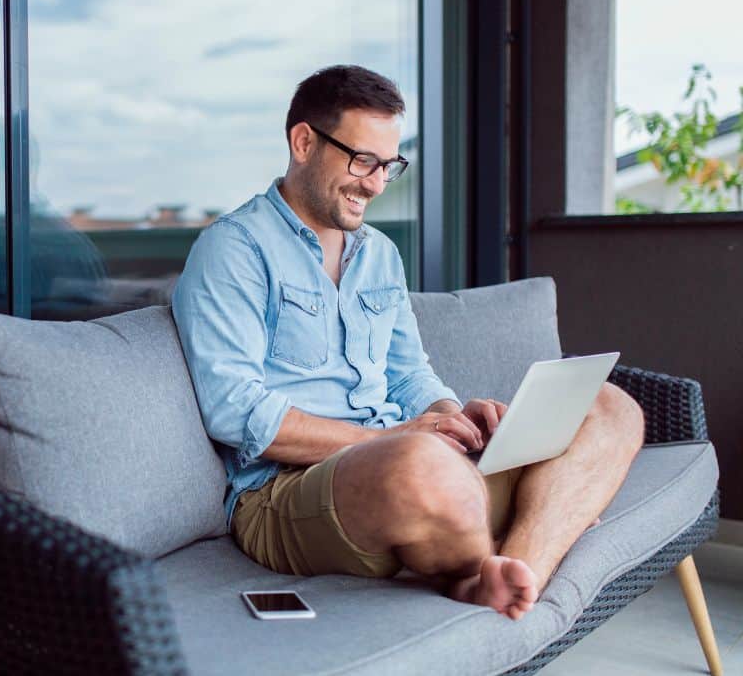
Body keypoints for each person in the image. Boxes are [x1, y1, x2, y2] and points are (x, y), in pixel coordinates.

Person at [170, 65, 643, 620]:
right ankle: (527, 525)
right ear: (303, 142)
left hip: (416, 466)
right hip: (288, 495)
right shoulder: (234, 250)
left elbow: (407, 373)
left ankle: (514, 570)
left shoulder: (378, 254)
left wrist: (450, 417)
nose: (373, 183)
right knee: (418, 464)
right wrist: (390, 439)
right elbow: (235, 409)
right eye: (361, 160)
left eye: (388, 166)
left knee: (610, 406)